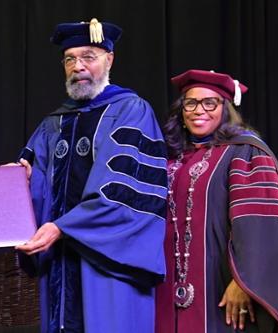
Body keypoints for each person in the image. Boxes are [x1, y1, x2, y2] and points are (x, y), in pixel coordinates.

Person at [15, 18, 168, 333]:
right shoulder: (54, 123)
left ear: (109, 60)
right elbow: (33, 182)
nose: (78, 66)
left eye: (88, 57)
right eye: (70, 59)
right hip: (59, 264)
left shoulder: (131, 110)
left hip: (109, 263)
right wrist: (15, 183)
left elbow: (124, 192)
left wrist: (63, 227)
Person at [155, 69, 278, 332]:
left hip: (222, 286)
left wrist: (244, 281)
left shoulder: (245, 151)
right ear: (181, 110)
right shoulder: (169, 157)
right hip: (166, 286)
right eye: (191, 103)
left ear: (225, 108)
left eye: (209, 102)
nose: (199, 110)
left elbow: (260, 226)